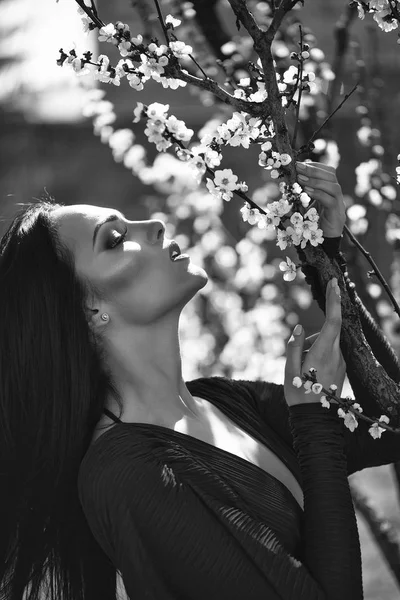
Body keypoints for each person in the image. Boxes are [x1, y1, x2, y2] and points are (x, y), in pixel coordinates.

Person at [0, 162, 398, 600]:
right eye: (114, 240)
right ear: (90, 313)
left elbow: (390, 423)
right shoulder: (129, 475)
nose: (152, 225)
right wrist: (313, 420)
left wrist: (326, 257)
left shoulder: (226, 402)